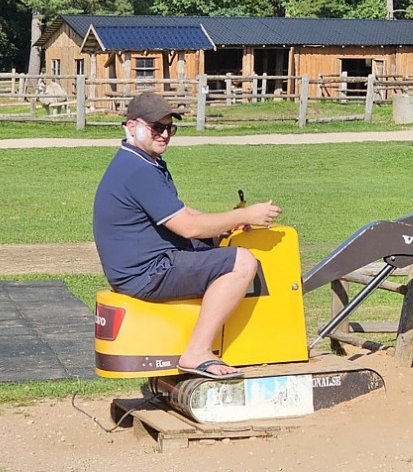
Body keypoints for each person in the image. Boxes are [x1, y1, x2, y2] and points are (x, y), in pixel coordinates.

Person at [93, 91, 281, 380]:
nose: (165, 134)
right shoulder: (138, 170)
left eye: (170, 128)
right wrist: (245, 215)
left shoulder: (142, 162)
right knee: (242, 262)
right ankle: (197, 351)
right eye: (157, 128)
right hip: (146, 272)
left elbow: (181, 212)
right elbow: (188, 228)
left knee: (216, 243)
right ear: (132, 127)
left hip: (143, 264)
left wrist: (224, 226)